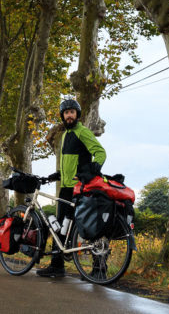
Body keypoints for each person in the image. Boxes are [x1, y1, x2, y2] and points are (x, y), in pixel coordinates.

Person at [36, 97, 106, 278]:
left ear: (77, 115)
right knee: (59, 226)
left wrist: (91, 170)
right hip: (66, 188)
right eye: (66, 112)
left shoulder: (82, 132)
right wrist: (58, 174)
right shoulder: (66, 135)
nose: (69, 115)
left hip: (80, 187)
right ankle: (57, 266)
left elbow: (100, 153)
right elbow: (70, 162)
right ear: (62, 115)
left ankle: (99, 269)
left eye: (72, 112)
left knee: (86, 225)